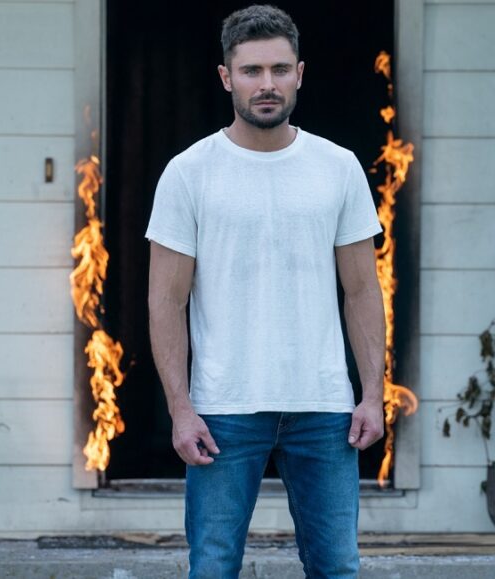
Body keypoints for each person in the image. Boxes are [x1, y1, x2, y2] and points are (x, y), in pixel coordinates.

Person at [146, 5, 386, 578]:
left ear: (300, 73)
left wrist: (372, 393)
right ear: (226, 77)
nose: (267, 84)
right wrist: (181, 409)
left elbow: (361, 291)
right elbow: (165, 303)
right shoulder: (189, 172)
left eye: (279, 70)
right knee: (213, 567)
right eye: (252, 71)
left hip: (323, 406)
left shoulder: (338, 167)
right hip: (224, 408)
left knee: (337, 567)